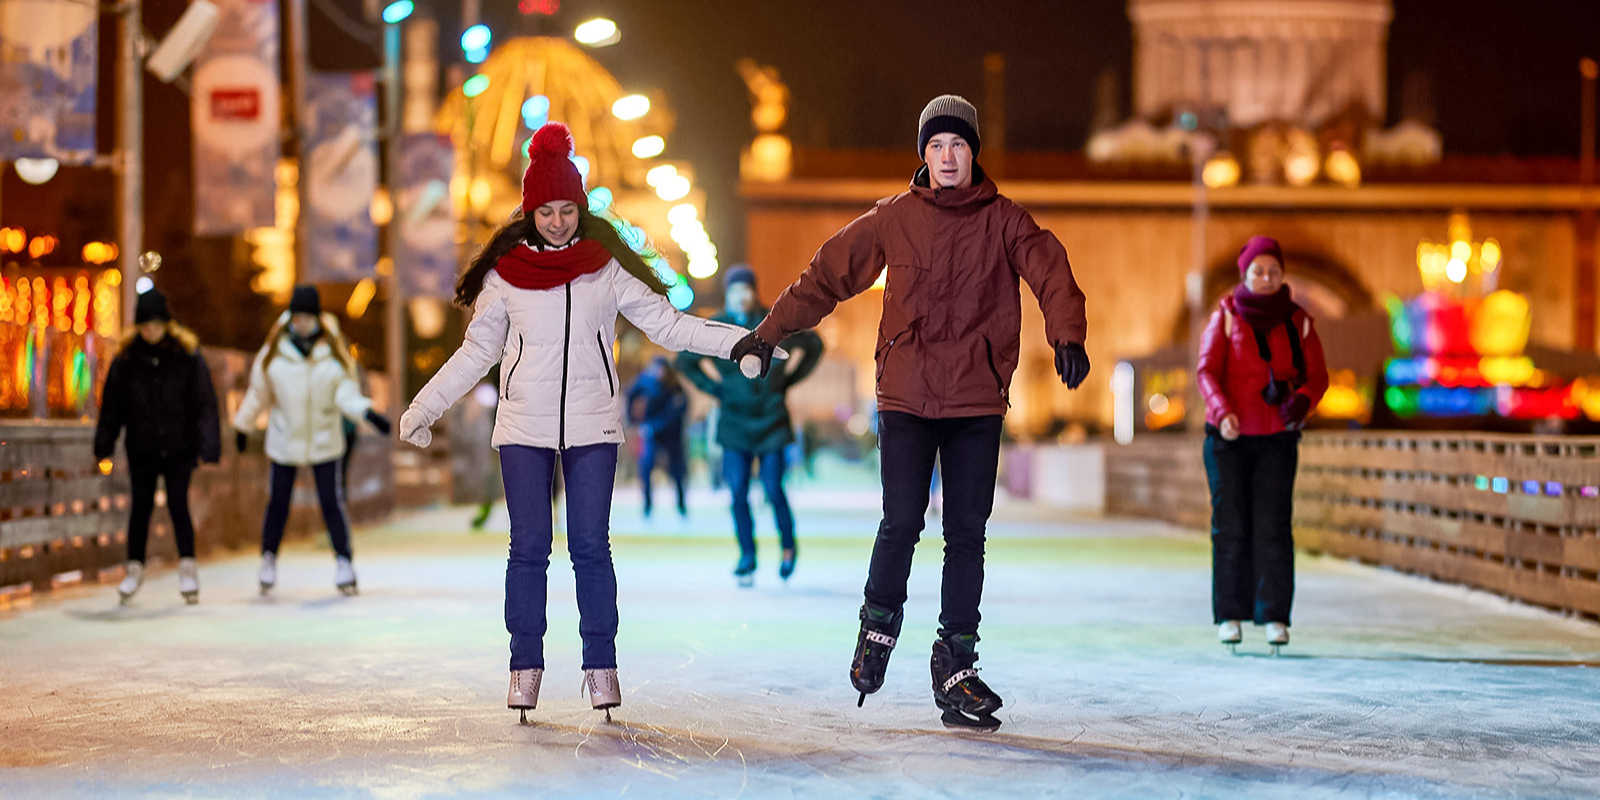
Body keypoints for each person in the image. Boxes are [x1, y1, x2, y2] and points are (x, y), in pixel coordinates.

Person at [729, 95, 1089, 731]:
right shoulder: (893, 218)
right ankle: (877, 630)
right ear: (923, 155)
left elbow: (1050, 268)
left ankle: (956, 662)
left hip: (976, 397)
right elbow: (826, 275)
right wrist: (768, 332)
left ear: (973, 152)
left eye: (957, 145)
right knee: (901, 521)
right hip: (907, 396)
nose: (947, 157)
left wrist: (1067, 333)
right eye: (935, 146)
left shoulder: (1005, 221)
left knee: (967, 534)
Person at [397, 122, 757, 724]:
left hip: (592, 425)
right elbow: (475, 353)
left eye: (568, 209)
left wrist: (740, 342)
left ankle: (600, 666)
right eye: (547, 210)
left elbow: (668, 325)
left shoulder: (605, 267)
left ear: (580, 207)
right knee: (528, 548)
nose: (559, 221)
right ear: (529, 209)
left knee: (591, 547)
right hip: (522, 429)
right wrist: (423, 407)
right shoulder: (506, 273)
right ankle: (524, 667)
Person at [1197, 236, 1328, 654]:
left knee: (1273, 526)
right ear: (1245, 274)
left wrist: (1303, 400)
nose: (1266, 277)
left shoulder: (1299, 321)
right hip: (1228, 440)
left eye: (1273, 270)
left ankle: (1273, 615)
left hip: (1276, 439)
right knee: (1230, 525)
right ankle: (1230, 615)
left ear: (1282, 274)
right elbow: (1206, 372)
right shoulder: (1225, 316)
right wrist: (1222, 412)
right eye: (1259, 270)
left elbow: (1318, 375)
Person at [233, 285, 391, 598]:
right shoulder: (274, 352)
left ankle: (344, 562)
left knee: (331, 502)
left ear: (317, 318)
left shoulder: (332, 353)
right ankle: (268, 560)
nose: (302, 323)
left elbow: (346, 394)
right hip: (285, 438)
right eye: (297, 316)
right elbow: (258, 393)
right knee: (278, 503)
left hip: (323, 441)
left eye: (308, 317)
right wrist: (242, 425)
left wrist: (367, 414)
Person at [678, 266, 823, 584]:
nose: (741, 296)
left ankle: (788, 547)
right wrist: (717, 388)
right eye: (734, 290)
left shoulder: (773, 321)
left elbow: (813, 346)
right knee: (738, 491)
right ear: (727, 294)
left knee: (773, 488)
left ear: (754, 292)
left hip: (772, 421)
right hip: (734, 424)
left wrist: (788, 380)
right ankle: (747, 555)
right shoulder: (715, 326)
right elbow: (685, 359)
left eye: (746, 289)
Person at [94, 289, 221, 605]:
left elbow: (204, 404)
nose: (149, 330)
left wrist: (209, 445)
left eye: (155, 324)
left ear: (166, 323)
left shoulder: (187, 356)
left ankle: (188, 566)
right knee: (141, 507)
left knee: (179, 504)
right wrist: (104, 444)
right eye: (144, 325)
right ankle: (134, 568)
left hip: (180, 447)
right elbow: (112, 407)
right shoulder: (126, 361)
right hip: (142, 446)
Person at [626, 356, 690, 519]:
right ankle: (647, 506)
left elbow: (679, 410)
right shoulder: (646, 381)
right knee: (646, 466)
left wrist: (654, 426)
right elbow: (630, 394)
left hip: (670, 435)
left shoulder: (675, 386)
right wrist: (634, 421)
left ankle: (681, 505)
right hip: (651, 432)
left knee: (677, 470)